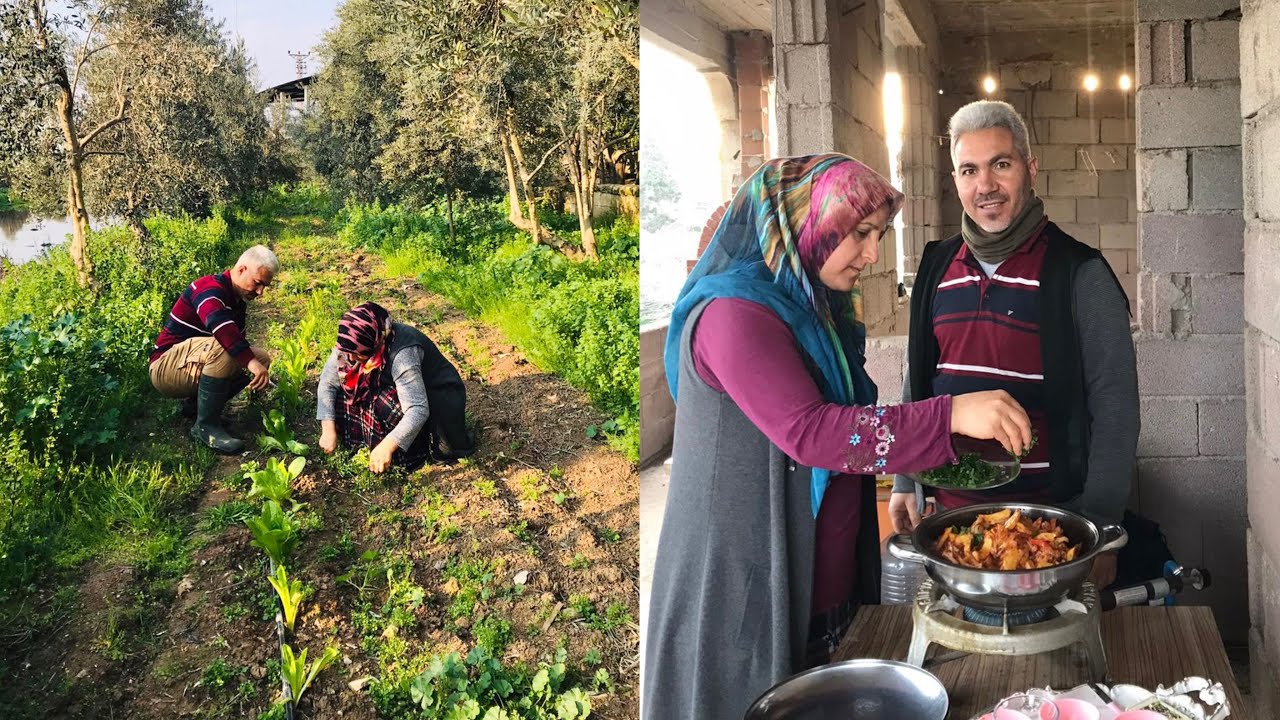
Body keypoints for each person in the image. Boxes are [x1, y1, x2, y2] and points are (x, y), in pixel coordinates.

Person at [642, 154, 1033, 720]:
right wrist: (947, 416)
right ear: (809, 224)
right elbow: (811, 431)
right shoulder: (734, 314)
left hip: (823, 585)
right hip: (749, 586)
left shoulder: (812, 308)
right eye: (860, 234)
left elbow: (850, 425)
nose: (873, 255)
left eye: (879, 236)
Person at [888, 100, 1139, 590]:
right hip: (952, 528)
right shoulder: (936, 268)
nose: (985, 185)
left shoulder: (1079, 275)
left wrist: (1104, 528)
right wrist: (905, 477)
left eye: (1001, 164)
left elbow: (1116, 408)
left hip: (1049, 529)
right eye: (969, 170)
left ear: (1030, 169)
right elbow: (917, 382)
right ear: (956, 180)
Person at [316, 302, 475, 473]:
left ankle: (413, 452)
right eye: (348, 352)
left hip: (438, 397)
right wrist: (328, 429)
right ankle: (364, 442)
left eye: (358, 353)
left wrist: (388, 445)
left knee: (386, 404)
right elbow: (328, 384)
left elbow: (417, 409)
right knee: (348, 393)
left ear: (376, 343)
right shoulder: (351, 342)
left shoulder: (402, 353)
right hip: (400, 388)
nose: (351, 358)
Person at [149, 244, 277, 454]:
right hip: (164, 367)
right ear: (241, 269)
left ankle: (196, 408)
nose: (260, 292)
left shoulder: (236, 300)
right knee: (228, 348)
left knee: (260, 358)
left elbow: (239, 344)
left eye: (265, 286)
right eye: (257, 283)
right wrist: (250, 363)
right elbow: (221, 328)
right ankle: (205, 427)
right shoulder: (209, 288)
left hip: (190, 363)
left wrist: (257, 366)